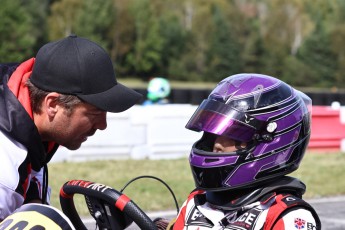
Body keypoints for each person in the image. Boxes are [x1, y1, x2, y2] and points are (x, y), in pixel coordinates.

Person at [0, 35, 142, 221]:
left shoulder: (31, 127)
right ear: (52, 105)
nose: (103, 125)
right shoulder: (5, 172)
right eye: (94, 114)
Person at [162, 73, 321, 229]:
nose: (217, 145)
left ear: (272, 142)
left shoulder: (286, 215)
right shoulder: (196, 201)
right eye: (213, 135)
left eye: (235, 137)